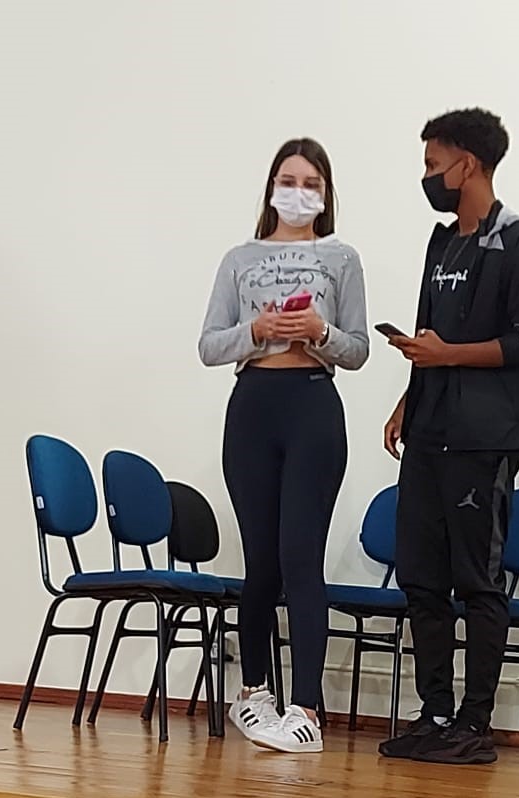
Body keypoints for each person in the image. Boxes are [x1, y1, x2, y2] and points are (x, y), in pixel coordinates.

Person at [378, 107, 519, 765]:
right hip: (429, 431)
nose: (427, 176)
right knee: (422, 578)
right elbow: (432, 335)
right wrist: (409, 396)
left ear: (467, 164)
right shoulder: (442, 244)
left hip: (485, 438)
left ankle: (475, 723)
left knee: (478, 581)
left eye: (433, 164)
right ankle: (434, 714)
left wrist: (447, 356)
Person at [198, 138, 369, 753]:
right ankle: (254, 693)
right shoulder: (239, 258)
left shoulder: (341, 258)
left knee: (300, 558)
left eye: (311, 183)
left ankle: (306, 707)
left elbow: (358, 349)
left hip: (312, 407)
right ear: (271, 188)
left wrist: (319, 331)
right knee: (261, 563)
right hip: (253, 407)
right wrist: (257, 329)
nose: (299, 193)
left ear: (326, 194)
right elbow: (209, 345)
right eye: (288, 180)